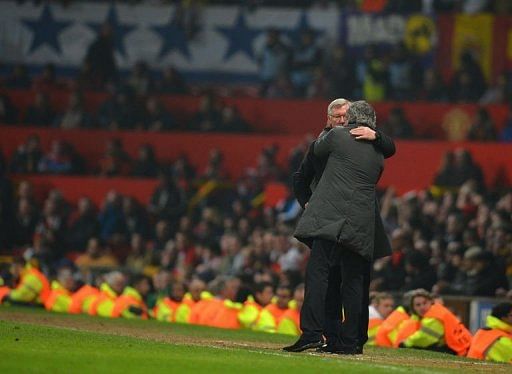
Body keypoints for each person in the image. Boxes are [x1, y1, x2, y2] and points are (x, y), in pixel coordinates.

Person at [285, 99, 395, 354]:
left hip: (333, 218)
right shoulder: (376, 151)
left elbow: (314, 156)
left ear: (353, 117)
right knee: (348, 281)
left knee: (327, 275)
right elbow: (302, 178)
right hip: (358, 219)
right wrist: (306, 203)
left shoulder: (338, 139)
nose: (342, 120)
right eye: (337, 116)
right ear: (328, 117)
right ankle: (344, 340)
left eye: (346, 116)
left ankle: (320, 334)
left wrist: (374, 135)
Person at [401, 289, 472, 356]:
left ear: (431, 302)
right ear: (413, 308)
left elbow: (424, 337)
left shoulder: (434, 316)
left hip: (461, 348)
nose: (422, 307)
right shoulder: (433, 312)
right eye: (418, 305)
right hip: (461, 346)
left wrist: (406, 343)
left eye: (424, 303)